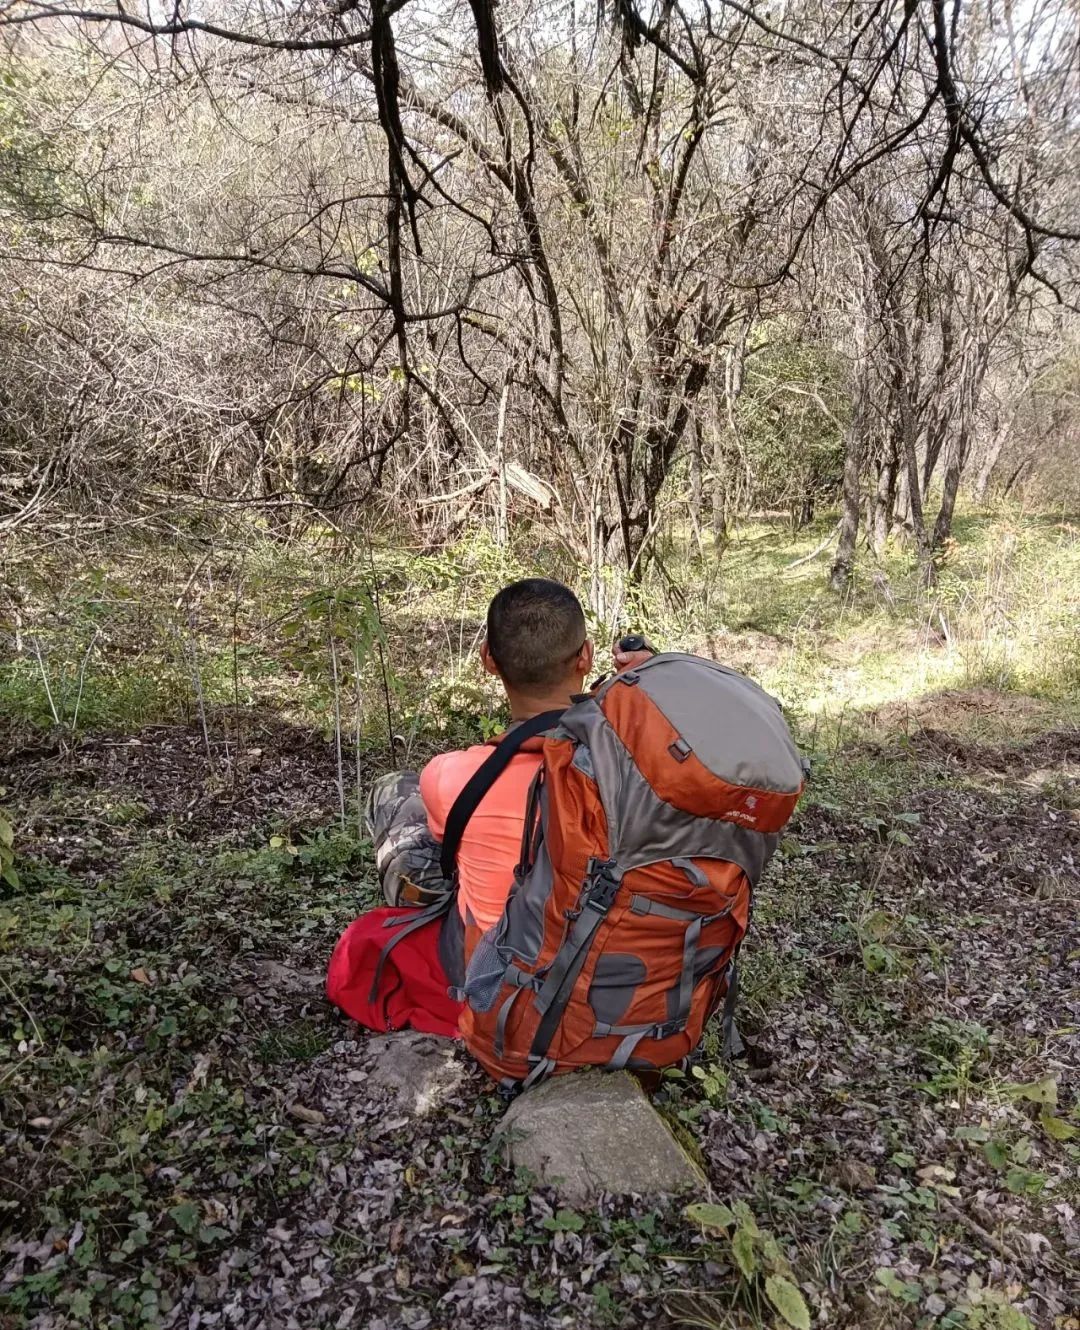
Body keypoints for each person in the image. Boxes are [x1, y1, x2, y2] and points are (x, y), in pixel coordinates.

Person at [326, 578, 652, 1036]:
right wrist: (645, 692)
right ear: (587, 656)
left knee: (394, 791)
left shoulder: (448, 776)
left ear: (488, 661)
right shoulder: (639, 764)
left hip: (498, 980)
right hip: (611, 973)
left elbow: (445, 853)